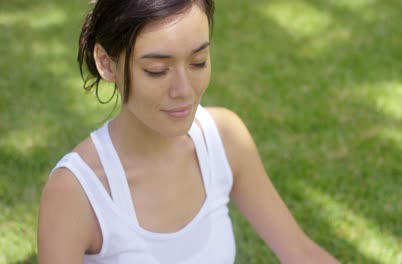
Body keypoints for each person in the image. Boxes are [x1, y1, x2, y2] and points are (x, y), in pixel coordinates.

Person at [37, 0, 339, 263]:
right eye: (157, 69)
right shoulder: (77, 192)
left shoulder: (223, 138)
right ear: (106, 63)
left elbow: (300, 253)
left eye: (198, 62)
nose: (184, 90)